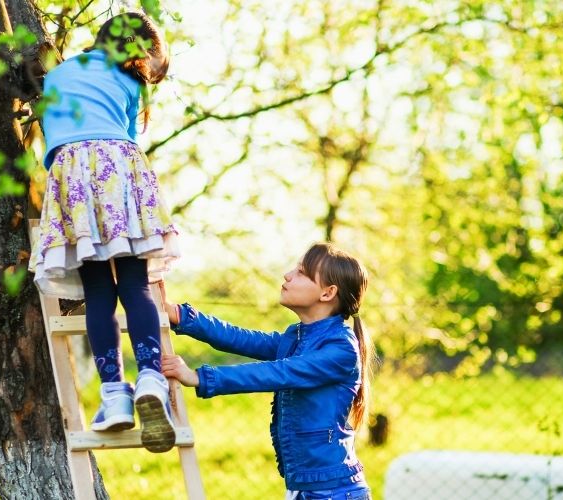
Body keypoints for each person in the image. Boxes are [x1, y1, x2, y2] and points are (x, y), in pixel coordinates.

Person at [28, 12, 178, 452]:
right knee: (135, 284)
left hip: (71, 179)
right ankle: (150, 375)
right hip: (120, 174)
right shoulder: (130, 83)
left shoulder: (55, 77)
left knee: (98, 293)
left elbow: (51, 141)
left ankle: (114, 394)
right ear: (140, 52)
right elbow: (130, 138)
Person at [161, 243, 374, 500]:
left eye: (302, 273)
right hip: (306, 489)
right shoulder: (295, 338)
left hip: (333, 492)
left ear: (328, 293)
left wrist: (199, 377)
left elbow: (278, 372)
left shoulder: (341, 349)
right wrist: (182, 316)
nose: (287, 275)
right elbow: (240, 338)